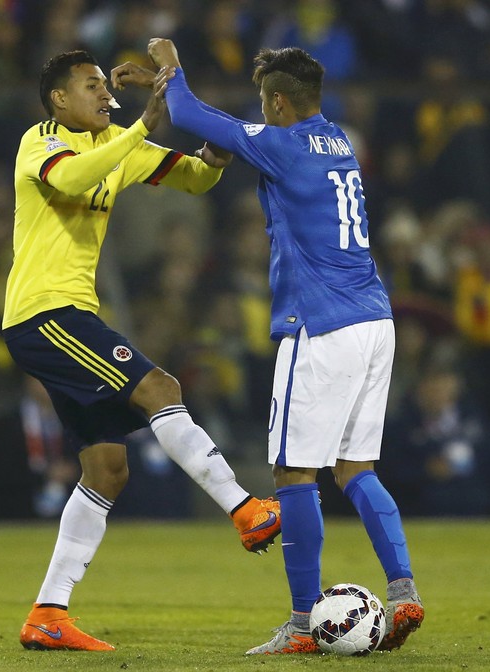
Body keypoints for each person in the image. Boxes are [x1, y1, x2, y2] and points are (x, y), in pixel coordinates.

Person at [141, 39, 424, 654]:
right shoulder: (339, 141)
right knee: (355, 469)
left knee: (294, 472)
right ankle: (403, 594)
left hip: (319, 324)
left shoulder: (280, 141)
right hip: (375, 319)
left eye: (264, 100)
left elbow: (189, 114)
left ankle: (301, 625)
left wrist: (170, 63)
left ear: (276, 102)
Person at [4, 49, 281, 653]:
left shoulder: (116, 146)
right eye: (90, 85)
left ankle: (48, 613)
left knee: (107, 468)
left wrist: (211, 134)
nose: (105, 93)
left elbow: (199, 176)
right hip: (44, 312)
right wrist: (137, 129)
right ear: (58, 98)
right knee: (161, 388)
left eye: (106, 85)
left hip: (67, 315)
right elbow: (72, 179)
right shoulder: (41, 142)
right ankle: (242, 508)